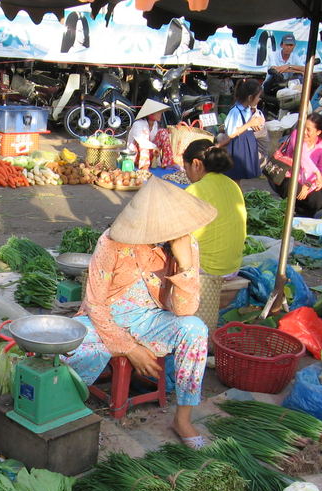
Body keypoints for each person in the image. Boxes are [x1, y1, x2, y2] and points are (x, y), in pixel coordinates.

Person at [63, 177, 217, 448]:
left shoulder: (186, 245)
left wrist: (185, 265)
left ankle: (182, 419)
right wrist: (129, 348)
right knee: (64, 353)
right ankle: (66, 406)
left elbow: (185, 310)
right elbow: (96, 304)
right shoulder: (111, 242)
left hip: (152, 319)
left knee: (195, 329)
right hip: (104, 320)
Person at [183, 140, 246, 338]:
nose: (186, 175)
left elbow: (179, 236)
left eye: (186, 168)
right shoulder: (233, 186)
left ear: (196, 164)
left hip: (207, 272)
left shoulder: (195, 191)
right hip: (232, 268)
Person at [270, 113, 322, 218]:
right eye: (303, 127)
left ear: (318, 132)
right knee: (297, 191)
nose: (304, 132)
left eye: (308, 130)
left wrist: (309, 185)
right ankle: (290, 214)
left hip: (308, 182)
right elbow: (301, 155)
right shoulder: (296, 135)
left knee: (318, 200)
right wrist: (316, 173)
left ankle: (301, 219)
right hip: (285, 176)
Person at [222, 78, 265, 182]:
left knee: (239, 178)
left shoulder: (248, 110)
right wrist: (250, 124)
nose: (259, 99)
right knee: (235, 178)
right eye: (258, 97)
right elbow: (232, 133)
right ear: (250, 97)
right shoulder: (235, 111)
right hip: (238, 148)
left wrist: (255, 124)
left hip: (245, 146)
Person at [126, 98, 174, 170]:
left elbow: (154, 139)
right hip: (136, 155)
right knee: (145, 136)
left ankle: (167, 163)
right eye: (158, 112)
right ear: (150, 114)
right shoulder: (138, 124)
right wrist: (155, 147)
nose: (160, 115)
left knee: (163, 132)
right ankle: (144, 167)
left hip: (150, 154)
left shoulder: (155, 125)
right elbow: (142, 142)